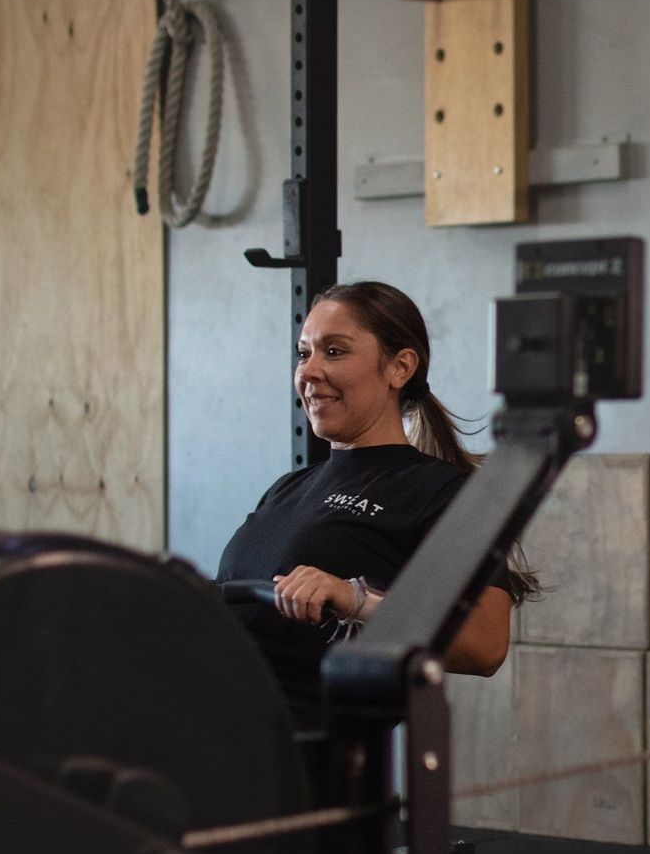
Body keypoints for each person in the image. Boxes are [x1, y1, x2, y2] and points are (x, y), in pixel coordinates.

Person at [216, 281, 537, 729]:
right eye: (304, 353)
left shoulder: (440, 490)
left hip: (304, 764)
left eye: (334, 352)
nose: (308, 372)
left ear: (400, 367)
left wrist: (352, 598)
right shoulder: (288, 488)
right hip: (216, 734)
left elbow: (484, 645)